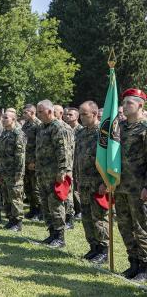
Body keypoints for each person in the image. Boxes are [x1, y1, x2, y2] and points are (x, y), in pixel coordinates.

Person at [101, 88, 147, 280]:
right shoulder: (118, 127)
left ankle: (145, 267)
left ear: (140, 105)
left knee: (142, 227)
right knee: (125, 226)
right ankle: (133, 263)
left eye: (130, 103)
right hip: (120, 185)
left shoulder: (145, 129)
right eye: (124, 102)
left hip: (138, 188)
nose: (125, 106)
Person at [36, 100, 72, 248]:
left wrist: (62, 171)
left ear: (49, 112)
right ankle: (52, 233)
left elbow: (64, 151)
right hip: (43, 172)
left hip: (55, 173)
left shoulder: (59, 127)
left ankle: (59, 237)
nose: (38, 115)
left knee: (56, 204)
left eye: (40, 112)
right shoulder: (42, 127)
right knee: (46, 204)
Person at [75, 101, 108, 264]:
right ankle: (93, 247)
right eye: (80, 114)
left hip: (97, 183)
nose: (81, 118)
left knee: (99, 218)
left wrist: (105, 182)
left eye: (84, 114)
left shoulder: (103, 133)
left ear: (95, 114)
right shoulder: (81, 133)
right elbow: (78, 158)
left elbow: (109, 160)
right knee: (87, 217)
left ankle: (103, 249)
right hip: (84, 182)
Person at [0, 111, 26, 231]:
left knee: (15, 197)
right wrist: (0, 172)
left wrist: (19, 173)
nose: (3, 120)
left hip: (14, 172)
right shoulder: (4, 133)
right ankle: (10, 219)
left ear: (13, 119)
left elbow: (20, 156)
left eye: (6, 118)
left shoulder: (18, 134)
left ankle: (17, 222)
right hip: (4, 171)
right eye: (2, 118)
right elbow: (1, 155)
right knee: (6, 196)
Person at [22, 104, 42, 220]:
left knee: (36, 188)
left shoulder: (37, 125)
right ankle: (32, 209)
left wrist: (34, 161)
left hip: (33, 162)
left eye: (26, 113)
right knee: (28, 187)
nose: (23, 115)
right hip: (25, 160)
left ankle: (40, 211)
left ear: (32, 113)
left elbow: (39, 144)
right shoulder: (26, 125)